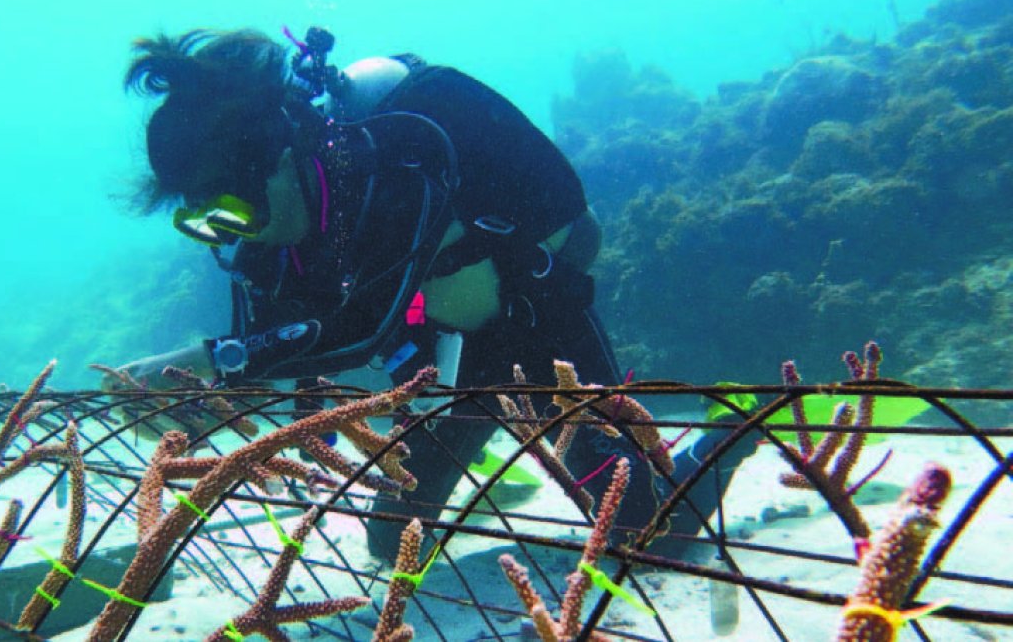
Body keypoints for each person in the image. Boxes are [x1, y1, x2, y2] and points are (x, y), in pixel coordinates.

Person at [112, 27, 756, 560]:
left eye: (229, 208)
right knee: (395, 543)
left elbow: (357, 330)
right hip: (452, 361)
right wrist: (205, 392)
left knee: (643, 529)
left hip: (534, 325)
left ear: (279, 158)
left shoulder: (392, 166)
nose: (228, 234)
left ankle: (728, 434)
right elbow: (274, 345)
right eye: (200, 222)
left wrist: (215, 359)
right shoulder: (273, 239)